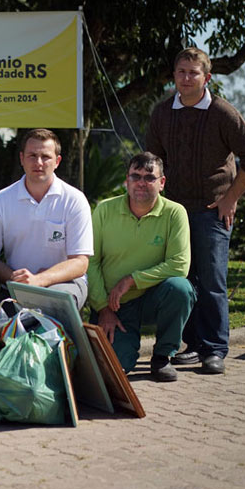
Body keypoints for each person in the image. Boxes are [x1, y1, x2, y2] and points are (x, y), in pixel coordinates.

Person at [146, 47, 245, 375]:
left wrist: (230, 198)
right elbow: (152, 162)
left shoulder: (221, 112)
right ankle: (193, 345)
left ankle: (214, 350)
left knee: (212, 280)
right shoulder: (161, 113)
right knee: (184, 279)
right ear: (174, 76)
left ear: (206, 77)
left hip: (212, 212)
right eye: (181, 72)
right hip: (173, 213)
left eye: (193, 73)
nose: (186, 78)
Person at [87, 153, 196, 381]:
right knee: (115, 369)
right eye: (135, 176)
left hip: (152, 299)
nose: (141, 183)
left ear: (162, 183)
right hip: (114, 305)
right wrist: (102, 308)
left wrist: (132, 279)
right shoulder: (104, 210)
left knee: (181, 289)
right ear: (126, 180)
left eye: (149, 177)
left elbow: (179, 265)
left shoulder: (175, 213)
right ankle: (122, 350)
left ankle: (162, 356)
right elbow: (91, 262)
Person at [0, 128, 93, 310]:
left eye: (45, 157)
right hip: (17, 284)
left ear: (57, 161)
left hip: (65, 284)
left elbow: (80, 262)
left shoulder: (74, 200)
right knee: (12, 333)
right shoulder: (1, 200)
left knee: (52, 309)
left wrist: (39, 280)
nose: (38, 162)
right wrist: (17, 279)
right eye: (32, 156)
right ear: (22, 159)